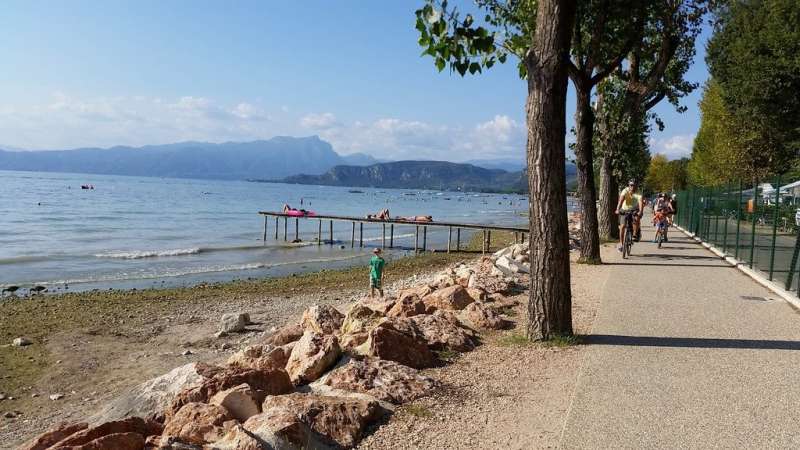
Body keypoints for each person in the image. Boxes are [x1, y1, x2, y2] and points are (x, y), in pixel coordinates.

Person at [615, 180, 644, 252]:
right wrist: (617, 209)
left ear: (637, 186)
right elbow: (621, 200)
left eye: (634, 185)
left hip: (634, 209)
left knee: (636, 219)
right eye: (631, 185)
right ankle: (621, 244)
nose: (632, 187)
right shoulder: (625, 191)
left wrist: (640, 211)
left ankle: (635, 234)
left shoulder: (639, 193)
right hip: (624, 209)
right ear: (629, 185)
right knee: (622, 226)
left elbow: (640, 203)